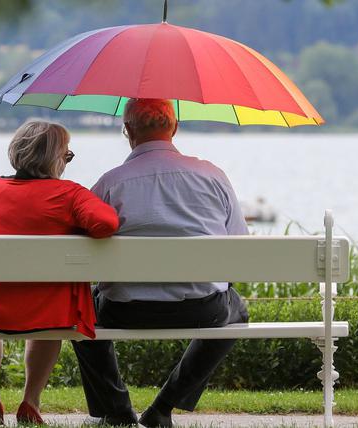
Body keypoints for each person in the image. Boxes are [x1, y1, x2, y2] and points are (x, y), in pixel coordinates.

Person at [72, 99, 250, 428]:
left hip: (124, 310)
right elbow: (239, 246)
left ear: (128, 131)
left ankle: (117, 410)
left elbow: (79, 250)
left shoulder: (111, 183)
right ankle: (163, 407)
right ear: (175, 128)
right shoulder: (213, 176)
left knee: (79, 310)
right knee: (236, 309)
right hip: (201, 308)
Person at [0, 120, 119, 425]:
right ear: (55, 159)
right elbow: (106, 224)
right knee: (48, 305)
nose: (66, 163)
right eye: (67, 156)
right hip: (43, 308)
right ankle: (31, 400)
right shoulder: (70, 195)